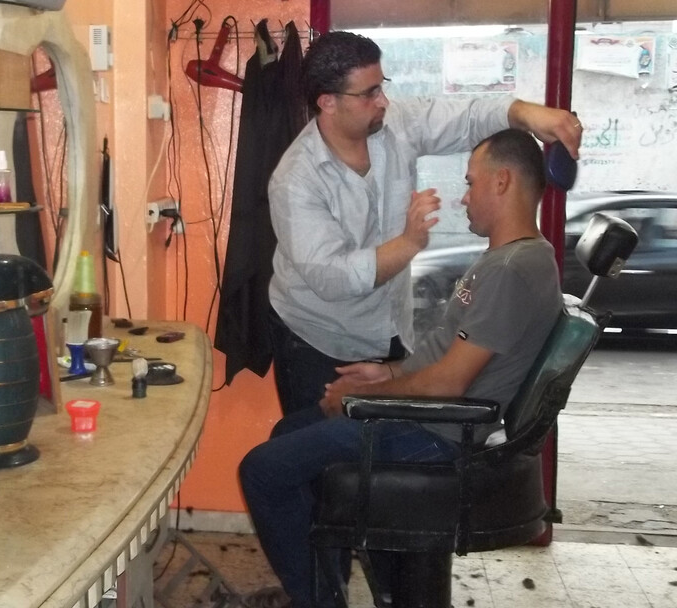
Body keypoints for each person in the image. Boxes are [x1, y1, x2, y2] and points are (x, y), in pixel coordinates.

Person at [240, 128, 564, 608]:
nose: (464, 196)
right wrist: (385, 374)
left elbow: (452, 382)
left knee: (262, 471)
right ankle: (324, 587)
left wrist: (360, 400)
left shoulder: (513, 269)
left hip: (441, 434)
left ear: (502, 182)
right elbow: (444, 358)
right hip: (433, 418)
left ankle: (319, 601)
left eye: (472, 183)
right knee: (288, 432)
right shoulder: (508, 259)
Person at [267, 30, 582, 416]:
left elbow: (467, 117)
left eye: (382, 86)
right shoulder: (296, 179)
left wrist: (525, 113)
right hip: (318, 341)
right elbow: (334, 279)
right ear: (328, 102)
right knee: (310, 457)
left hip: (390, 332)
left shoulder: (395, 124)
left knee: (378, 457)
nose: (383, 101)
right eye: (369, 94)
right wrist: (409, 242)